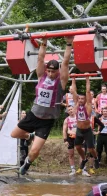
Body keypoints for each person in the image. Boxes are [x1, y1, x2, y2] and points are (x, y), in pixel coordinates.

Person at [11, 36, 73, 175]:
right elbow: (40, 59)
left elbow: (66, 62)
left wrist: (69, 43)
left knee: (34, 151)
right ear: (46, 70)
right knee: (14, 134)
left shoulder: (61, 81)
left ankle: (27, 164)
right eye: (49, 71)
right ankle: (30, 136)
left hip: (47, 121)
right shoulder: (41, 76)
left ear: (57, 71)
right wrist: (43, 42)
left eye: (53, 71)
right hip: (33, 114)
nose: (51, 74)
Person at [71, 76, 100, 170]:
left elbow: (88, 91)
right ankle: (84, 159)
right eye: (79, 99)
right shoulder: (76, 104)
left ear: (85, 100)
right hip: (79, 130)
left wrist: (87, 78)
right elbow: (74, 91)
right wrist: (73, 79)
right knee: (78, 147)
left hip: (87, 130)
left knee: (91, 149)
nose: (80, 100)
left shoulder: (88, 105)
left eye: (82, 99)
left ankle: (96, 158)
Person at [63, 106, 77, 176]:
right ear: (67, 112)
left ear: (74, 109)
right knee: (71, 154)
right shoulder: (66, 119)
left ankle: (83, 169)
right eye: (69, 110)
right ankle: (73, 169)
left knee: (82, 153)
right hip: (70, 137)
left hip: (79, 137)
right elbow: (64, 130)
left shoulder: (79, 117)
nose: (70, 111)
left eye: (71, 109)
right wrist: (65, 140)